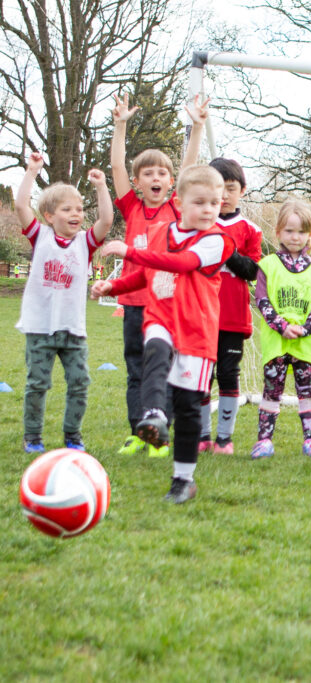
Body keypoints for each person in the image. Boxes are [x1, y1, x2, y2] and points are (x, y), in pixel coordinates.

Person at [92, 165, 234, 503]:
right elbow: (146, 274)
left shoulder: (218, 240)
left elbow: (182, 263)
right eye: (199, 202)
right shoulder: (160, 232)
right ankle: (153, 414)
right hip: (162, 315)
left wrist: (128, 251)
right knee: (154, 349)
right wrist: (112, 286)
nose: (208, 210)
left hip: (197, 332)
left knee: (187, 408)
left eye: (214, 203)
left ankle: (183, 480)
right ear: (180, 201)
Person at [111, 93, 205, 457]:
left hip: (168, 306)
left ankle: (161, 431)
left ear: (170, 183)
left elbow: (190, 166)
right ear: (137, 181)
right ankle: (139, 430)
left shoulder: (175, 206)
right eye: (147, 172)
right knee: (136, 370)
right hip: (134, 304)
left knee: (164, 370)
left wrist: (196, 126)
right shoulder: (132, 206)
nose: (156, 177)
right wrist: (121, 126)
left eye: (162, 173)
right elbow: (117, 168)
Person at [15, 152, 113, 453]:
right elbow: (21, 205)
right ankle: (32, 437)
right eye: (67, 209)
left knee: (79, 382)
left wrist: (101, 187)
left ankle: (73, 436)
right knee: (38, 384)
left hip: (73, 329)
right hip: (40, 328)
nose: (76, 214)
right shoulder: (40, 236)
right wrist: (32, 171)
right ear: (49, 216)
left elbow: (107, 221)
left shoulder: (84, 242)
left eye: (80, 209)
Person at [250, 199, 311, 459]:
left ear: (310, 234)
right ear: (278, 233)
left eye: (301, 231)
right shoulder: (268, 265)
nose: (295, 237)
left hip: (305, 345)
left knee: (307, 392)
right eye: (289, 231)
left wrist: (304, 329)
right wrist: (282, 327)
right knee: (271, 391)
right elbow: (262, 300)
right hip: (277, 342)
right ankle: (264, 441)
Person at [197, 158, 264, 455]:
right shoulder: (197, 223)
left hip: (234, 316)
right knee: (201, 375)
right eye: (217, 189)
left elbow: (253, 271)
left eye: (230, 188)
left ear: (243, 191)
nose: (223, 196)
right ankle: (201, 435)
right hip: (199, 313)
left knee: (227, 373)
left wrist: (227, 251)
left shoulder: (250, 229)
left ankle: (224, 438)